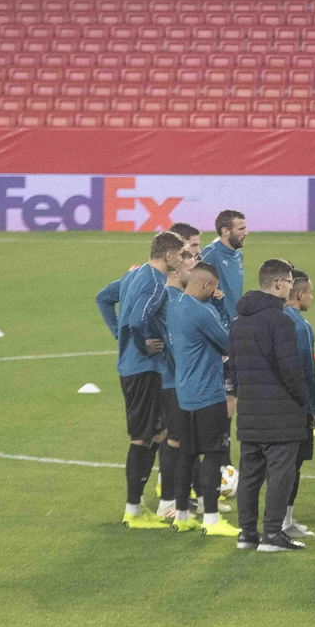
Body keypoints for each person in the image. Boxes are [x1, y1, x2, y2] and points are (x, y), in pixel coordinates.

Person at [95, 230, 185, 528]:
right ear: (168, 255)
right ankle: (133, 511)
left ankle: (140, 508)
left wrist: (119, 335)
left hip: (135, 367)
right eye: (181, 254)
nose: (183, 259)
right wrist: (142, 343)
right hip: (143, 369)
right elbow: (137, 320)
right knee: (143, 437)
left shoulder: (134, 275)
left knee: (156, 434)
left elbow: (104, 298)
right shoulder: (157, 284)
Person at [230, 259, 309, 552]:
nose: (291, 289)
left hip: (249, 412)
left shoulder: (239, 321)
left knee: (249, 475)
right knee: (279, 474)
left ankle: (247, 535)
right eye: (289, 283)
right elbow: (291, 370)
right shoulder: (280, 321)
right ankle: (273, 535)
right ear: (277, 283)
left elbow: (234, 367)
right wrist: (303, 401)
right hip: (280, 414)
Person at [168, 259, 238, 537]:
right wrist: (219, 307)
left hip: (183, 393)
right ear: (207, 284)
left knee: (186, 455)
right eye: (214, 288)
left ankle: (182, 515)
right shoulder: (202, 312)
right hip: (208, 394)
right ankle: (211, 519)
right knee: (212, 455)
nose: (214, 293)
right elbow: (228, 342)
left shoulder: (173, 306)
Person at [154, 234, 200, 521]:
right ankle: (166, 501)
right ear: (176, 270)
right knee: (175, 440)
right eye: (188, 267)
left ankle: (172, 498)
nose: (192, 271)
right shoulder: (170, 300)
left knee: (175, 439)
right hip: (172, 379)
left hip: (175, 378)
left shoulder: (175, 298)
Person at [282, 268, 315, 539]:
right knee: (292, 465)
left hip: (269, 406)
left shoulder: (274, 318)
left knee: (275, 465)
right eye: (309, 292)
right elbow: (308, 373)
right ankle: (285, 522)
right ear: (299, 294)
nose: (312, 297)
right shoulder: (301, 327)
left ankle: (279, 521)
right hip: (296, 409)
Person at [200, 209, 247, 328]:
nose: (246, 233)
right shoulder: (210, 253)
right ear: (225, 231)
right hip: (218, 323)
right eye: (241, 229)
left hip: (235, 323)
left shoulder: (238, 255)